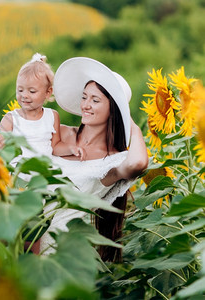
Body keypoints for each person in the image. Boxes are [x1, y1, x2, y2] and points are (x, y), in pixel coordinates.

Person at [39, 57, 148, 262]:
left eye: (95, 100)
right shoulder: (59, 135)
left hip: (59, 255)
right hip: (22, 241)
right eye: (84, 97)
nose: (86, 105)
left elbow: (138, 164)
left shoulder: (111, 162)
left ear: (113, 110)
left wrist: (129, 121)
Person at [0, 53, 85, 163]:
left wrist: (70, 148)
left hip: (44, 171)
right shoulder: (11, 119)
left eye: (32, 91)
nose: (24, 95)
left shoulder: (52, 116)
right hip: (19, 172)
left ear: (48, 92)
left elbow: (55, 146)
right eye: (20, 90)